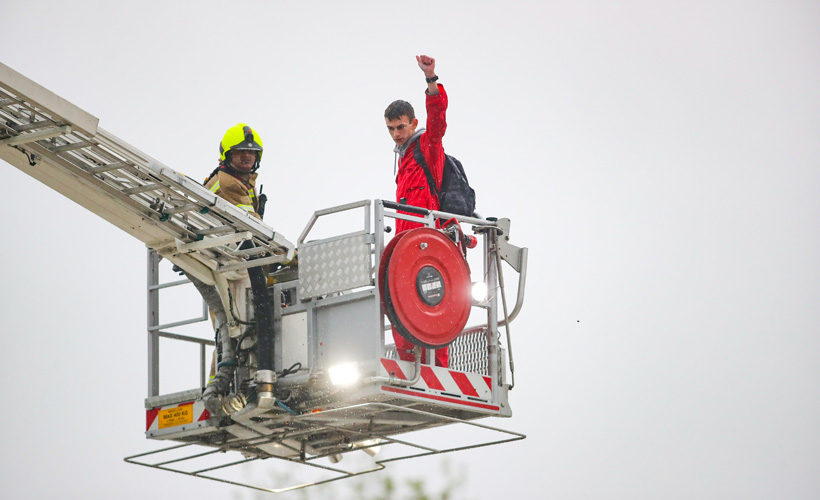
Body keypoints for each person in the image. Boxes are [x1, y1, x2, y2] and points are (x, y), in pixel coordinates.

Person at [384, 55, 450, 367]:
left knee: (435, 305)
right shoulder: (402, 158)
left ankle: (437, 368)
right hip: (406, 242)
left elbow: (438, 122)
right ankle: (409, 365)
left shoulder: (426, 147)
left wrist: (431, 80)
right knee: (397, 303)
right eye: (391, 129)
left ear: (413, 123)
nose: (396, 134)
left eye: (401, 127)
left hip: (429, 241)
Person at [205, 123, 266, 219]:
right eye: (241, 151)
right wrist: (258, 218)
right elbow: (250, 221)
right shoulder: (229, 182)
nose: (247, 155)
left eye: (251, 151)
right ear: (228, 155)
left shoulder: (240, 179)